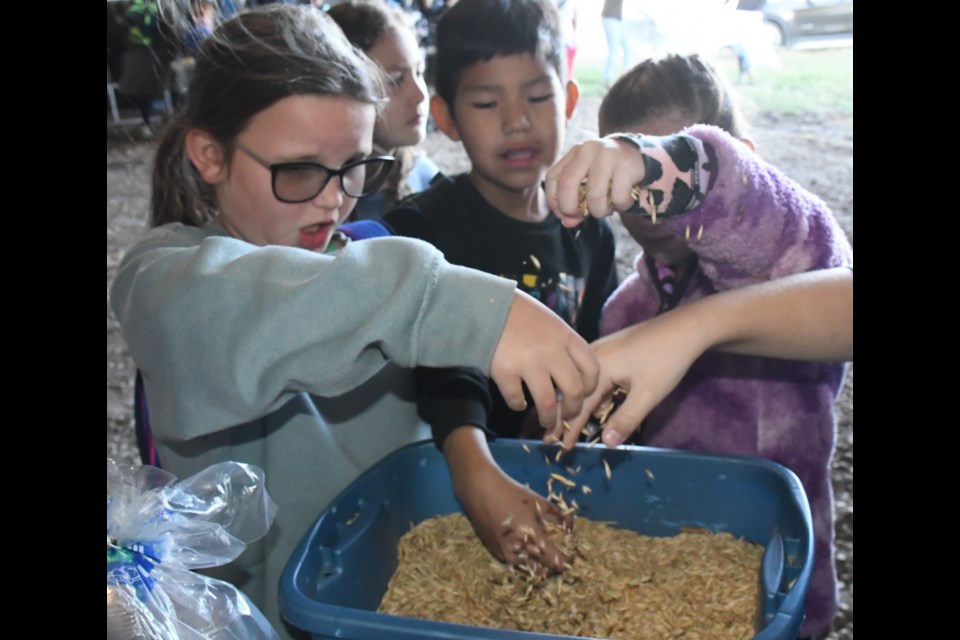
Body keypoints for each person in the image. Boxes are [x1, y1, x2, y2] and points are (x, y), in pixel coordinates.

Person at [109, 6, 600, 638]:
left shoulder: (366, 256)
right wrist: (454, 306)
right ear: (209, 154)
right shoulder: (160, 279)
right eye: (300, 169)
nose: (332, 197)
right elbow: (274, 306)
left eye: (353, 167)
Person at [544, 54, 852, 638]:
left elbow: (770, 217)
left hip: (780, 571)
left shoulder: (782, 271)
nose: (647, 203)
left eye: (655, 183)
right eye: (632, 191)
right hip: (674, 569)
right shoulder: (626, 312)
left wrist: (669, 166)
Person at [384, 0, 618, 575]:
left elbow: (598, 349)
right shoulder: (423, 229)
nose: (517, 121)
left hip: (556, 470)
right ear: (447, 117)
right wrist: (472, 467)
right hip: (452, 472)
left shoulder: (590, 232)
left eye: (537, 98)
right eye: (487, 103)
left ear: (566, 100)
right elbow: (439, 366)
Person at [328, 0, 440, 220]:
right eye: (396, 80)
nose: (420, 95)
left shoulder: (429, 182)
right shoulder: (319, 202)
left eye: (419, 72)